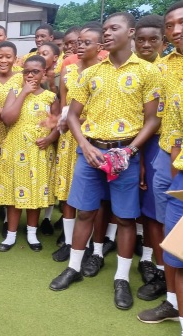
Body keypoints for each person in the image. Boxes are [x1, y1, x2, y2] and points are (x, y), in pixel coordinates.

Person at [49, 13, 161, 312]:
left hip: (124, 155)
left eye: (115, 28)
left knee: (125, 218)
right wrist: (84, 146)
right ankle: (74, 268)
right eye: (106, 29)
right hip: (90, 154)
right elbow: (72, 115)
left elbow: (153, 120)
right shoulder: (89, 73)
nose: (108, 33)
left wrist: (130, 151)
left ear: (131, 32)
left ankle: (122, 278)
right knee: (85, 212)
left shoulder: (148, 72)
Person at [138, 0, 183, 327]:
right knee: (170, 238)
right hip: (166, 160)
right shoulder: (164, 67)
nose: (176, 30)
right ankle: (172, 301)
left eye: (181, 23)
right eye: (171, 25)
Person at [0, 55, 60, 252]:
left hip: (39, 150)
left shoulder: (50, 97)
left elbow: (57, 124)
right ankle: (11, 234)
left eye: (35, 71)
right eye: (26, 72)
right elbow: (7, 119)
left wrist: (49, 139)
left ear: (43, 73)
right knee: (15, 192)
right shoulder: (15, 92)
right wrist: (24, 92)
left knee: (36, 192)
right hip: (16, 149)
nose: (30, 75)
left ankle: (32, 233)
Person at [52, 26, 103, 262]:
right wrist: (62, 123)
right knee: (68, 193)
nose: (79, 46)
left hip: (91, 138)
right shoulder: (68, 71)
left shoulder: (104, 72)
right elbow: (65, 106)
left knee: (92, 195)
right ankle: (69, 241)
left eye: (85, 42)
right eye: (78, 42)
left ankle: (93, 243)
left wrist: (77, 120)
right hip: (68, 138)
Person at [133, 14, 169, 303]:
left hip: (163, 145)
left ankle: (162, 270)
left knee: (162, 212)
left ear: (163, 42)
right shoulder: (125, 70)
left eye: (153, 39)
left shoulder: (166, 70)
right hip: (134, 145)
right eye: (141, 39)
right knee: (145, 212)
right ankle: (155, 265)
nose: (146, 45)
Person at [0, 41, 23, 236]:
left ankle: (9, 219)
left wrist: (0, 112)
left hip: (13, 134)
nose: (4, 60)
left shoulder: (21, 78)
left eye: (8, 57)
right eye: (0, 56)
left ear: (15, 59)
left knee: (10, 177)